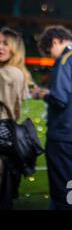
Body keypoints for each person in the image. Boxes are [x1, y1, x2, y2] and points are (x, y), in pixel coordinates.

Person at [32, 26, 72, 209]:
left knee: (63, 191)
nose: (52, 56)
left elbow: (60, 99)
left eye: (49, 52)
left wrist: (42, 94)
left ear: (55, 42)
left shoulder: (65, 60)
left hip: (63, 136)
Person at [0, 27, 33, 209]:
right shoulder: (15, 71)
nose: (0, 47)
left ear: (15, 48)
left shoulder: (8, 74)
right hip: (8, 141)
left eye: (6, 43)